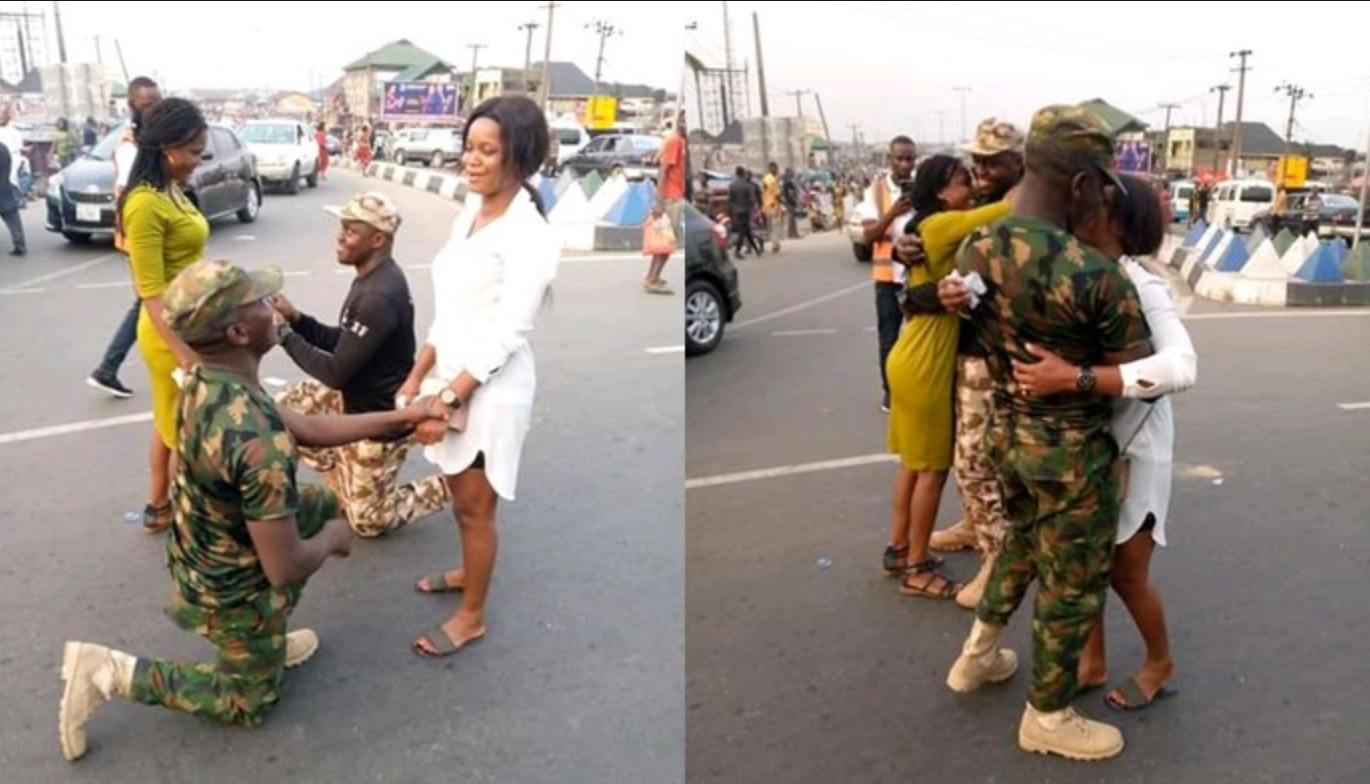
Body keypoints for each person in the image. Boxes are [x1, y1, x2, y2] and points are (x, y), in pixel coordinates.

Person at [57, 259, 447, 762]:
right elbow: (283, 566)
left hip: (203, 544)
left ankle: (265, 639)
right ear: (241, 331)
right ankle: (110, 672)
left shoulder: (209, 378)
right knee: (248, 700)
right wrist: (334, 539)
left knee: (321, 501)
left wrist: (405, 418)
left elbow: (306, 427)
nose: (274, 308)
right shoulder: (255, 442)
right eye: (262, 304)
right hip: (226, 586)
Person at [941, 105, 1151, 762]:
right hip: (1070, 455)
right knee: (1071, 584)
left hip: (1004, 435)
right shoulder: (1094, 274)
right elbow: (1136, 372)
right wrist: (1078, 376)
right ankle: (1049, 717)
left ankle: (976, 658)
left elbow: (973, 342)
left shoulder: (978, 248)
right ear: (1084, 187)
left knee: (1018, 551)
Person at [1007, 175, 1195, 712]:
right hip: (1088, 444)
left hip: (1135, 445)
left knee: (1125, 572)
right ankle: (1092, 661)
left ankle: (1159, 662)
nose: (1084, 207)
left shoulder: (1142, 283)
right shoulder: (1077, 273)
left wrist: (1074, 378)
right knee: (1085, 560)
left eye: (1101, 203)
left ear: (1120, 221)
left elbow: (1182, 366)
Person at [395, 95, 559, 657]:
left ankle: (471, 616)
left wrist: (449, 397)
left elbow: (509, 333)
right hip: (448, 376)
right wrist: (419, 376)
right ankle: (470, 572)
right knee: (454, 488)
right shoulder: (471, 212)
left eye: (488, 151)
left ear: (521, 156)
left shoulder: (530, 233)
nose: (473, 160)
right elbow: (451, 312)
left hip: (491, 390)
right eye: (470, 147)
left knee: (474, 507)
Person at [269, 192, 451, 538]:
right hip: (352, 401)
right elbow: (347, 343)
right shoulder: (372, 277)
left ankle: (452, 483)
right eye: (341, 228)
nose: (339, 237)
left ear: (378, 239)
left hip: (378, 420)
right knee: (279, 415)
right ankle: (346, 476)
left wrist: (283, 335)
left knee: (368, 522)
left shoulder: (378, 295)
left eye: (351, 231)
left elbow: (336, 373)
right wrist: (296, 319)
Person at [907, 118, 1027, 609]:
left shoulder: (1028, 206)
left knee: (976, 461)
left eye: (992, 160)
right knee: (971, 456)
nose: (981, 169)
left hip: (997, 353)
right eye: (976, 160)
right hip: (968, 346)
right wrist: (908, 247)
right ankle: (977, 525)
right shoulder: (980, 206)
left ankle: (998, 561)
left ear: (1019, 161)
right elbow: (935, 248)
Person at [884, 154, 1014, 598]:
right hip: (924, 360)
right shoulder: (939, 225)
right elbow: (1005, 210)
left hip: (912, 354)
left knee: (912, 465)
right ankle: (917, 568)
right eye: (964, 181)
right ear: (942, 190)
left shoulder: (924, 227)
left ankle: (899, 549)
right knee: (933, 470)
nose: (973, 187)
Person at [120, 97, 212, 533]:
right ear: (169, 148)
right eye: (193, 152)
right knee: (186, 433)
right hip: (168, 334)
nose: (197, 160)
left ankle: (158, 507)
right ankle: (187, 522)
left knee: (166, 420)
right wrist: (185, 355)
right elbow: (150, 293)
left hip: (189, 324)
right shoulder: (143, 205)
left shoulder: (170, 190)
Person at [87, 76, 163, 399]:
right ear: (132, 107)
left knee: (147, 299)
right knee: (149, 298)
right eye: (147, 105)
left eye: (157, 104)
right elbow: (136, 196)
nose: (154, 110)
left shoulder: (148, 139)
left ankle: (108, 368)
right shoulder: (132, 147)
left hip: (143, 230)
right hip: (139, 232)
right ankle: (107, 368)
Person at [857, 136, 917, 414]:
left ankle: (918, 389)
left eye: (910, 159)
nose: (905, 164)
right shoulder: (875, 192)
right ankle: (890, 392)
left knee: (921, 336)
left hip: (917, 275)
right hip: (887, 278)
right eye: (900, 159)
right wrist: (893, 212)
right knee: (889, 339)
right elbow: (868, 236)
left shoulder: (922, 189)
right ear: (889, 159)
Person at [657, 116, 687, 232]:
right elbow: (662, 171)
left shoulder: (683, 142)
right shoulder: (674, 141)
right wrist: (659, 201)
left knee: (672, 237)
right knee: (668, 236)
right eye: (683, 122)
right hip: (672, 197)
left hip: (679, 194)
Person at [642, 200, 677, 294]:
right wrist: (659, 207)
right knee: (664, 249)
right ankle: (652, 280)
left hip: (667, 205)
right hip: (667, 206)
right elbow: (661, 190)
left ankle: (652, 276)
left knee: (661, 249)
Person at [727, 166, 762, 259]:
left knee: (746, 230)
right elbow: (752, 199)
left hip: (736, 211)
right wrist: (754, 209)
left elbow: (730, 200)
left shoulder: (732, 185)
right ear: (743, 174)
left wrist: (731, 211)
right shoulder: (747, 185)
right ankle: (737, 251)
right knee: (743, 230)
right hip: (746, 210)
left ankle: (756, 249)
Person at [0, 142, 24, 256]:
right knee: (12, 218)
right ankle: (20, 245)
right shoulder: (3, 148)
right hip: (4, 187)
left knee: (11, 217)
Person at [763, 162, 783, 253]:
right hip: (774, 205)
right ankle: (775, 244)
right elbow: (777, 194)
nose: (777, 171)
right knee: (776, 225)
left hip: (767, 205)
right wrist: (782, 202)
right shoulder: (772, 180)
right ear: (773, 169)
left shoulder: (766, 178)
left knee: (771, 226)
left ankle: (775, 243)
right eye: (776, 169)